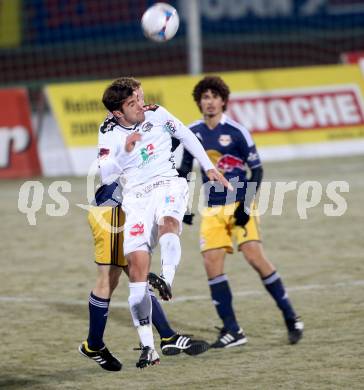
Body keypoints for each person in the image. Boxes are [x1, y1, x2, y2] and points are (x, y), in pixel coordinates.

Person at [97, 77, 230, 368]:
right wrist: (125, 150)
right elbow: (106, 176)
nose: (140, 106)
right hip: (136, 199)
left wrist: (208, 168)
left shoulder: (157, 114)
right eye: (133, 103)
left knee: (169, 222)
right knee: (136, 272)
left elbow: (185, 135)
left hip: (168, 183)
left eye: (140, 97)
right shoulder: (108, 131)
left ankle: (167, 278)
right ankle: (149, 348)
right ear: (117, 113)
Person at [178, 76, 304, 348]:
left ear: (223, 101)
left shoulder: (237, 132)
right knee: (211, 264)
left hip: (239, 204)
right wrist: (184, 207)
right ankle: (233, 330)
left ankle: (291, 317)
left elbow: (256, 169)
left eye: (214, 96)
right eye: (205, 96)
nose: (209, 101)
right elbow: (185, 171)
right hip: (212, 208)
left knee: (254, 257)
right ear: (199, 101)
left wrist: (246, 207)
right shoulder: (192, 132)